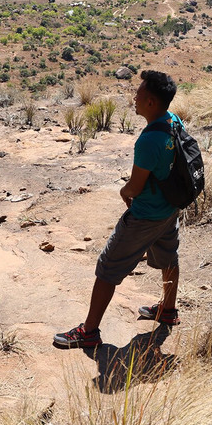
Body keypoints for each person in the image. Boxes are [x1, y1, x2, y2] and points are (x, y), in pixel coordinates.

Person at [54, 69, 183, 349]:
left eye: (139, 94)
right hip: (170, 208)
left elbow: (134, 187)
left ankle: (89, 332)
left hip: (146, 215)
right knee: (168, 257)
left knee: (107, 267)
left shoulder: (148, 141)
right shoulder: (173, 121)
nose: (134, 98)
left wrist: (124, 192)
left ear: (151, 102)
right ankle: (168, 310)